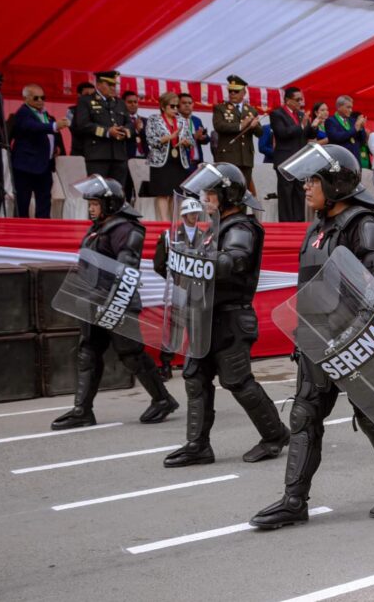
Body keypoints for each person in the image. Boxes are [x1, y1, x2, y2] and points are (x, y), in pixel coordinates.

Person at [250, 143, 374, 528]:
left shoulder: (364, 223)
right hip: (315, 339)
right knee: (304, 415)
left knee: (371, 414)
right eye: (306, 180)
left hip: (353, 341)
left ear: (336, 183)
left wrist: (367, 316)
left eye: (314, 180)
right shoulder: (317, 227)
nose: (306, 187)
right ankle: (294, 501)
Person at [164, 163, 290, 467]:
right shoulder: (214, 229)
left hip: (230, 318)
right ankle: (197, 446)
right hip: (205, 317)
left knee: (237, 381)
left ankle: (275, 435)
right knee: (195, 378)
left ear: (227, 195)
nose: (205, 198)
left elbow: (233, 260)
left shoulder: (242, 228)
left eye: (210, 192)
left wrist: (196, 258)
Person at [50, 175, 179, 430]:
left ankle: (163, 399)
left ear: (109, 204)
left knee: (131, 355)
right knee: (88, 352)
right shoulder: (99, 227)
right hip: (94, 302)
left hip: (118, 303)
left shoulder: (126, 229)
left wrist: (112, 305)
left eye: (95, 204)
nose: (91, 208)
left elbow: (126, 269)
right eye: (90, 204)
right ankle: (82, 410)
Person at [152, 197, 206, 381]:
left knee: (196, 326)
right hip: (179, 288)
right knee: (175, 328)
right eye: (191, 213)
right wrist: (175, 280)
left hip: (197, 290)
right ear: (183, 215)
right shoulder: (170, 236)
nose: (194, 216)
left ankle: (197, 363)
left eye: (196, 212)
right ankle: (166, 364)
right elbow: (159, 264)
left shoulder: (204, 236)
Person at [11, 84, 69, 218]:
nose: (40, 101)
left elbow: (47, 135)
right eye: (36, 98)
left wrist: (54, 147)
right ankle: (21, 228)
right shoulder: (23, 113)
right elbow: (34, 127)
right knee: (23, 202)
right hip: (26, 166)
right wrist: (54, 125)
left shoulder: (45, 114)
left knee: (44, 201)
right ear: (25, 98)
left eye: (43, 97)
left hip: (44, 165)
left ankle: (43, 226)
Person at [72, 70, 132, 188]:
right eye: (109, 85)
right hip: (97, 156)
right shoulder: (86, 101)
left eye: (114, 85)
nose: (113, 88)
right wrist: (107, 132)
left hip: (119, 155)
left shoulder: (120, 103)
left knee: (118, 192)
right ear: (98, 84)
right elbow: (83, 125)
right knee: (97, 191)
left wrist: (125, 131)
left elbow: (129, 123)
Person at [145, 92, 194, 223]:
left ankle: (176, 222)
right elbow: (150, 140)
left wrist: (186, 142)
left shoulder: (182, 120)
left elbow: (191, 140)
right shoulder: (154, 119)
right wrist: (169, 137)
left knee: (176, 193)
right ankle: (164, 222)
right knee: (163, 192)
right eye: (172, 106)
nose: (175, 109)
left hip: (178, 161)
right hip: (161, 161)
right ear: (163, 106)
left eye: (177, 106)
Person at [211, 75, 262, 195]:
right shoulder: (220, 108)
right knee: (228, 190)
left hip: (246, 158)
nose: (232, 93)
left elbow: (260, 133)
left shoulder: (251, 110)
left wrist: (254, 126)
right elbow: (219, 126)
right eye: (230, 91)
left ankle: (241, 208)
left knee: (243, 191)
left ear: (244, 92)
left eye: (236, 91)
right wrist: (240, 126)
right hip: (228, 156)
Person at [270, 86, 314, 222]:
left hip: (300, 160)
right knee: (286, 193)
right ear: (288, 100)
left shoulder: (301, 115)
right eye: (297, 99)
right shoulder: (277, 114)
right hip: (285, 160)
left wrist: (314, 125)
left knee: (300, 192)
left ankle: (299, 224)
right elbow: (282, 133)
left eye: (301, 99)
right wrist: (301, 126)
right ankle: (286, 225)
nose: (300, 102)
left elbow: (309, 134)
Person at [323, 96, 360, 164]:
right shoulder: (331, 121)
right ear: (339, 107)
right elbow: (337, 137)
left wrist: (361, 128)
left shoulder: (352, 121)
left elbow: (362, 139)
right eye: (348, 107)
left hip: (355, 159)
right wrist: (355, 129)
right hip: (341, 160)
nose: (351, 110)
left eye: (351, 108)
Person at [177, 93, 208, 169]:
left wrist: (203, 137)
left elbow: (206, 140)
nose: (187, 105)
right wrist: (194, 136)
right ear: (177, 105)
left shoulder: (196, 120)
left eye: (190, 103)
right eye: (184, 103)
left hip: (197, 164)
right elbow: (177, 140)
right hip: (182, 164)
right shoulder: (175, 120)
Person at [67, 81, 96, 158]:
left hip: (96, 153)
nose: (90, 97)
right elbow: (73, 129)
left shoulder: (99, 111)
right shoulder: (71, 110)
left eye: (92, 95)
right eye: (87, 95)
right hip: (78, 152)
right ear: (79, 95)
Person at [122, 90, 146, 158]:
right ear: (123, 103)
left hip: (144, 158)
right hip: (127, 157)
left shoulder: (145, 121)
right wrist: (135, 130)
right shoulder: (120, 121)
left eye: (135, 102)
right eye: (130, 102)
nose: (133, 104)